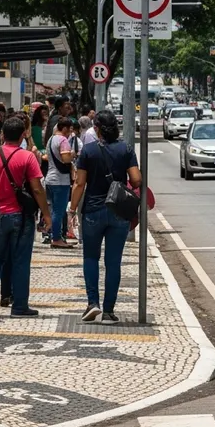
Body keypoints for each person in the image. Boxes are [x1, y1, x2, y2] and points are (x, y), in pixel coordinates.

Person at [69, 110, 141, 323]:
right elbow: (136, 180)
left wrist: (72, 210)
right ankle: (109, 311)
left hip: (92, 210)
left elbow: (80, 183)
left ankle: (93, 304)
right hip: (118, 211)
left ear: (97, 128)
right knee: (113, 262)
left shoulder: (88, 151)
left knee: (91, 258)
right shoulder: (126, 148)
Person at [0, 116, 52, 317]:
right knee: (21, 261)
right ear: (23, 135)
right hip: (21, 216)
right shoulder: (27, 157)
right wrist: (46, 215)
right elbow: (37, 189)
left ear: (3, 134)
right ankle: (20, 306)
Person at [45, 116, 75, 249]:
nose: (70, 133)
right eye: (69, 130)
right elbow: (66, 159)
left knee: (54, 210)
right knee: (59, 211)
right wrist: (73, 154)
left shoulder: (51, 139)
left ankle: (55, 235)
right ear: (64, 128)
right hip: (60, 180)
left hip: (50, 178)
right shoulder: (63, 140)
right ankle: (56, 238)